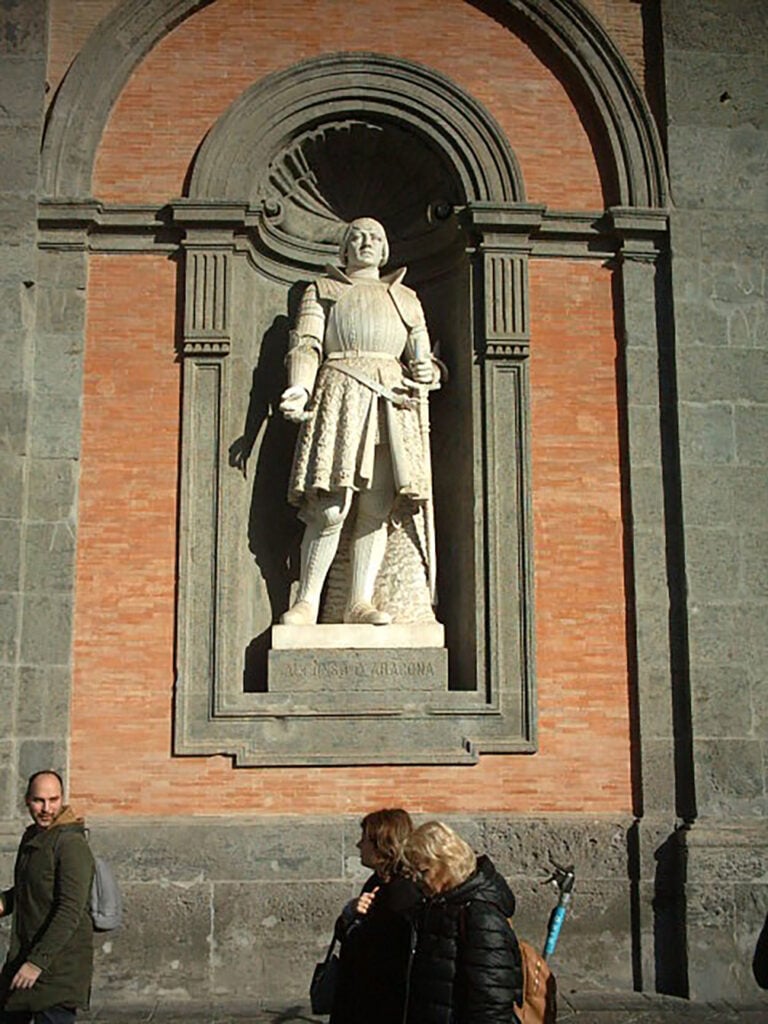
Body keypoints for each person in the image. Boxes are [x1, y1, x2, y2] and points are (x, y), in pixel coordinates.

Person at [279, 217, 439, 626]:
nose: (366, 243)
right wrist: (299, 387)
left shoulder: (406, 297)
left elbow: (422, 357)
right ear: (344, 248)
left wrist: (428, 371)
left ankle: (359, 601)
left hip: (392, 400)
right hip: (341, 392)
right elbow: (307, 344)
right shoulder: (324, 290)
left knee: (377, 507)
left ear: (385, 250)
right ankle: (308, 603)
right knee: (330, 507)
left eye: (375, 238)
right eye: (357, 237)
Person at [400, 820, 523, 1024]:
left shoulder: (480, 915)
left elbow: (492, 1000)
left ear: (447, 863)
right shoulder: (438, 904)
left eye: (423, 872)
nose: (418, 881)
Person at [0, 771, 95, 1024]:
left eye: (53, 800)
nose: (46, 808)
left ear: (62, 799)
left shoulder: (71, 844)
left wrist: (36, 963)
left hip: (57, 970)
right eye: (39, 800)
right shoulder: (32, 836)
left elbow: (70, 910)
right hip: (24, 958)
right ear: (26, 800)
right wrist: (3, 903)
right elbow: (28, 890)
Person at [330, 808, 419, 1024]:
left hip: (381, 1005)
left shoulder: (403, 893)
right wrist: (349, 914)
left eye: (364, 840)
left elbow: (379, 952)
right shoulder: (376, 882)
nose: (358, 845)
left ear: (382, 845)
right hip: (360, 999)